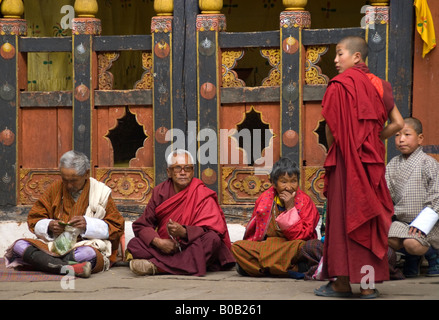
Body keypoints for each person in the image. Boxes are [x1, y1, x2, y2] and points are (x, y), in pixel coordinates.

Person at [314, 36, 404, 298]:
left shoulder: (339, 85)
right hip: (371, 163)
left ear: (356, 57)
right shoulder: (379, 85)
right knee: (367, 218)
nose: (335, 59)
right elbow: (398, 123)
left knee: (344, 219)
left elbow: (332, 129)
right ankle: (367, 286)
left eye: (339, 53)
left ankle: (341, 283)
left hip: (345, 162)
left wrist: (340, 149)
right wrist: (374, 139)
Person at [4, 150, 125, 278]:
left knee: (88, 254)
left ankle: (46, 263)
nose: (68, 185)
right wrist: (49, 226)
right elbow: (35, 218)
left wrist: (88, 225)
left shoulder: (101, 192)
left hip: (84, 245)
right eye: (65, 180)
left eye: (73, 180)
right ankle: (65, 267)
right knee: (19, 246)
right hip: (54, 246)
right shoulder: (55, 188)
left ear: (86, 174)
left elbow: (116, 227)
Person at [126, 149, 235, 276]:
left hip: (191, 245)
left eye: (187, 168)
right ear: (169, 172)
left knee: (213, 240)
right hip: (166, 246)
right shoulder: (160, 192)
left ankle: (158, 267)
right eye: (177, 168)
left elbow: (214, 230)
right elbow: (142, 225)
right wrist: (159, 243)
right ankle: (187, 265)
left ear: (193, 171)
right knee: (134, 244)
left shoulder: (202, 193)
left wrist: (184, 232)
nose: (183, 173)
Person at [231, 157, 320, 277]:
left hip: (292, 246)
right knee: (237, 247)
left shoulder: (305, 202)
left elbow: (303, 236)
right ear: (274, 183)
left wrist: (290, 208)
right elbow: (255, 234)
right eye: (284, 182)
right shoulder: (264, 199)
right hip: (269, 246)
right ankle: (292, 269)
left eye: (293, 181)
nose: (289, 187)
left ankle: (262, 268)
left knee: (309, 247)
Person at [387, 117, 439, 277]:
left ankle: (433, 255)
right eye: (397, 135)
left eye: (407, 134)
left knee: (411, 242)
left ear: (420, 138)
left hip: (427, 224)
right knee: (385, 237)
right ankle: (412, 257)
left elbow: (437, 195)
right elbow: (386, 194)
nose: (401, 139)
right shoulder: (393, 164)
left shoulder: (428, 163)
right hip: (402, 222)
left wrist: (422, 223)